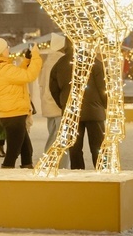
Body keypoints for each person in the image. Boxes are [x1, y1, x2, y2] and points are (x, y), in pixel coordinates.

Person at [0, 36, 42, 169]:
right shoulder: (5, 69)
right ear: (0, 51)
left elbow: (17, 75)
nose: (8, 49)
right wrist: (36, 57)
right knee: (12, 153)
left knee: (26, 149)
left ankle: (27, 167)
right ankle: (6, 176)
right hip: (15, 113)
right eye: (6, 47)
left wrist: (27, 61)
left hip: (9, 113)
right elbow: (29, 76)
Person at [50, 37, 107, 170]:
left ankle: (78, 172)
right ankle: (102, 171)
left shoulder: (60, 63)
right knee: (98, 146)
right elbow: (103, 87)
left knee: (75, 148)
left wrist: (63, 104)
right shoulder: (94, 61)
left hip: (71, 112)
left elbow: (53, 88)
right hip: (94, 112)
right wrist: (104, 105)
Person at [39, 34, 69, 168]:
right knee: (61, 137)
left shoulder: (48, 61)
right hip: (58, 105)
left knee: (53, 134)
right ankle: (58, 164)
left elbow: (41, 84)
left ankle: (49, 161)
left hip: (48, 104)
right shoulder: (61, 61)